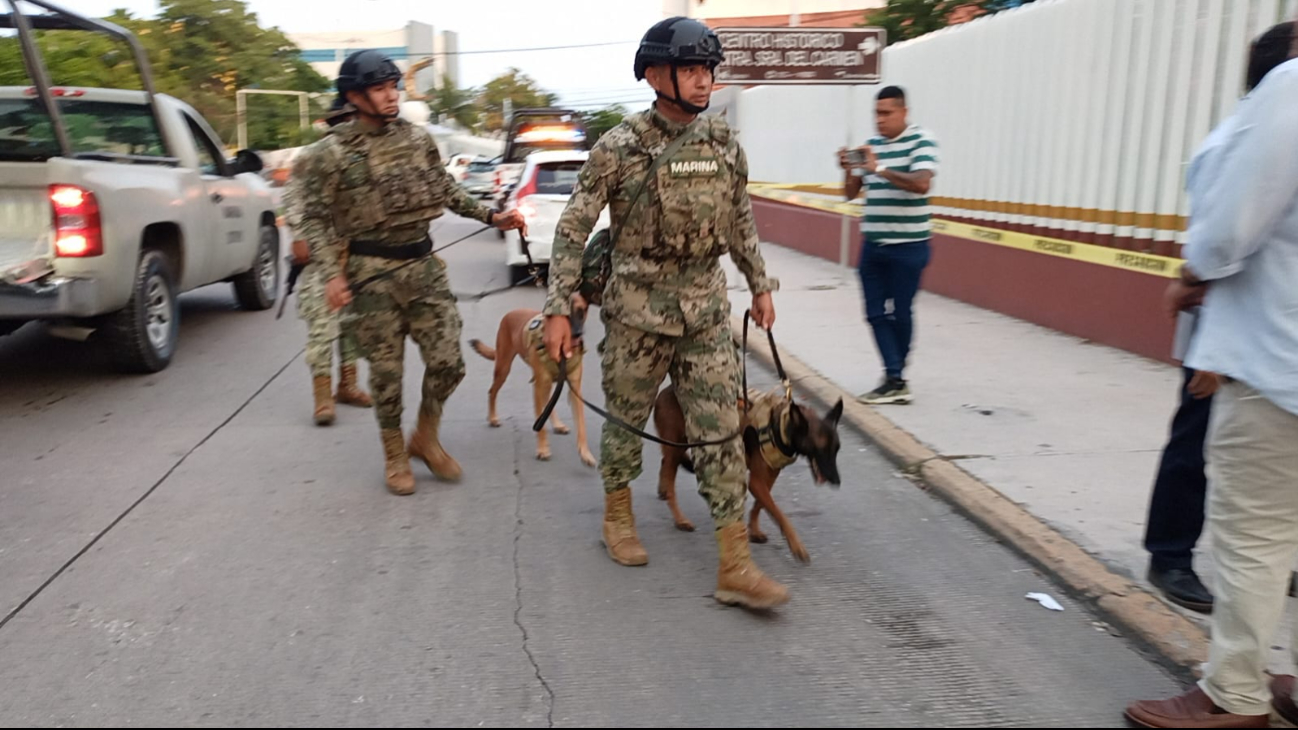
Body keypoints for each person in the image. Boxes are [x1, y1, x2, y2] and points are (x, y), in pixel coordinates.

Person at [542, 17, 788, 609]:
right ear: (655, 75)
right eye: (690, 69)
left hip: (704, 310)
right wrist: (557, 308)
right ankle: (618, 517)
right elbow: (573, 228)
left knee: (722, 430)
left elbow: (739, 220)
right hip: (636, 311)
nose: (703, 81)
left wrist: (760, 283)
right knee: (626, 418)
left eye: (708, 70)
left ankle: (735, 562)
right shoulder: (618, 147)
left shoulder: (725, 144)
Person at [1125, 22, 1298, 729]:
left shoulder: (1289, 90)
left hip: (1276, 357)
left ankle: (1234, 693)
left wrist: (1189, 279)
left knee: (1254, 534)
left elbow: (1228, 230)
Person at [288, 49, 526, 496]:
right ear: (355, 97)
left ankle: (426, 434)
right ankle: (395, 452)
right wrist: (332, 275)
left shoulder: (417, 139)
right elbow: (316, 218)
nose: (391, 96)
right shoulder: (331, 153)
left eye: (393, 86)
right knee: (386, 373)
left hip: (422, 265)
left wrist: (491, 217)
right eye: (379, 89)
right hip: (369, 272)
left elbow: (444, 188)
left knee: (448, 363)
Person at [839, 85, 939, 405]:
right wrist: (850, 169)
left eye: (886, 113)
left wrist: (878, 168)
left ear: (904, 112)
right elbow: (850, 194)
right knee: (873, 312)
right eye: (876, 114)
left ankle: (895, 375)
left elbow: (921, 184)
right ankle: (894, 375)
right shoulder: (872, 147)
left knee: (901, 312)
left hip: (909, 246)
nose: (880, 120)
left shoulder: (921, 141)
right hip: (873, 245)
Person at [285, 99, 371, 426]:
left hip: (359, 256)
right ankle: (322, 398)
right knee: (322, 328)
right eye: (342, 120)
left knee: (352, 326)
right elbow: (293, 197)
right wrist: (297, 233)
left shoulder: (369, 155)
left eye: (353, 119)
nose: (348, 126)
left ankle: (347, 385)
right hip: (322, 258)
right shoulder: (312, 156)